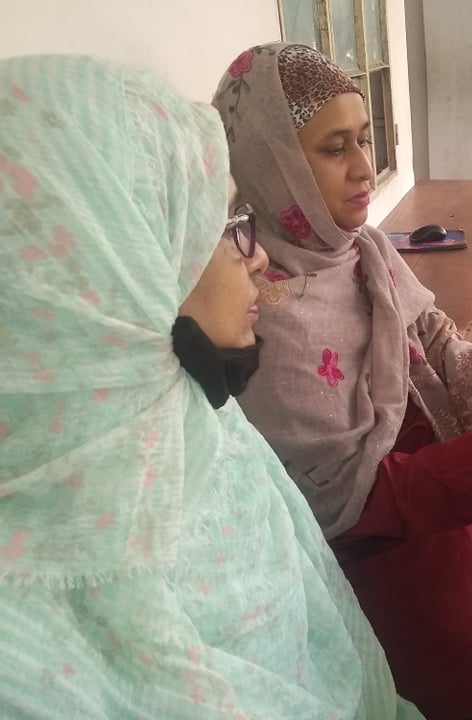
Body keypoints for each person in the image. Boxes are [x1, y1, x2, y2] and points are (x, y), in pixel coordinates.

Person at [212, 43, 472, 720]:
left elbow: (440, 350)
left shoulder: (363, 251)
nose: (361, 169)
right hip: (377, 570)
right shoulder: (259, 307)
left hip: (450, 524)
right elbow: (347, 502)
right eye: (332, 148)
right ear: (273, 159)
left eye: (366, 139)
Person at [0, 54, 423, 719]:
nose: (255, 257)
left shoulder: (203, 425)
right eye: (224, 227)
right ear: (119, 274)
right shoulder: (28, 667)